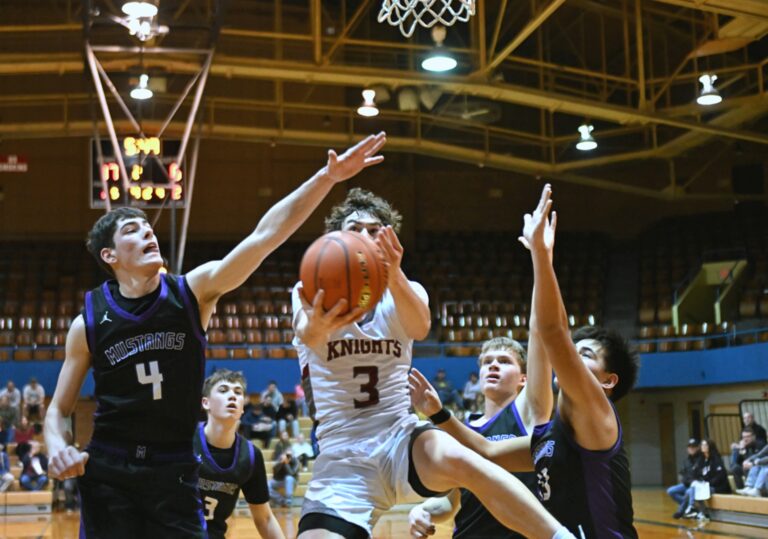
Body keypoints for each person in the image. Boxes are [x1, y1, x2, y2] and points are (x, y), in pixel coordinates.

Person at [44, 133, 388, 538]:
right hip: (109, 467)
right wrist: (57, 447)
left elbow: (265, 237)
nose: (149, 234)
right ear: (110, 255)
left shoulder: (194, 292)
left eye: (149, 228)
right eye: (134, 231)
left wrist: (327, 178)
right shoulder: (88, 321)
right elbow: (57, 409)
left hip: (173, 466)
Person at [292, 187, 574, 539]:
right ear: (335, 239)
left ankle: (563, 537)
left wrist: (392, 274)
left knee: (467, 461)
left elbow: (420, 325)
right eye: (355, 229)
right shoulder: (310, 290)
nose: (365, 236)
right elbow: (309, 334)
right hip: (341, 457)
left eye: (375, 230)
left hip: (400, 438)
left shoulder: (408, 291)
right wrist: (317, 324)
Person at [410, 184, 639, 538]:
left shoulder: (598, 414)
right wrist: (438, 413)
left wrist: (541, 257)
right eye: (486, 361)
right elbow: (485, 450)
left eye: (587, 355)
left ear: (608, 381)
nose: (574, 359)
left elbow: (549, 330)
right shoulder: (550, 438)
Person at [409, 334, 554, 539]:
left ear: (524, 378)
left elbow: (541, 338)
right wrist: (423, 510)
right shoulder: (460, 431)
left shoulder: (527, 413)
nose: (493, 365)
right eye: (487, 362)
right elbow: (453, 500)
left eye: (504, 361)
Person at [194, 369, 284, 539]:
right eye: (223, 390)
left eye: (238, 392)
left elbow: (264, 519)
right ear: (206, 403)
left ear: (242, 408)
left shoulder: (249, 455)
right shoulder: (184, 440)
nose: (232, 396)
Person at [684, 439, 730, 519]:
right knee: (690, 490)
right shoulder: (701, 459)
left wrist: (707, 483)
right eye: (702, 445)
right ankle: (695, 509)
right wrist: (698, 481)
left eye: (705, 445)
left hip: (717, 486)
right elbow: (696, 473)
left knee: (699, 491)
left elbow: (720, 476)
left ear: (710, 446)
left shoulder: (716, 459)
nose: (703, 447)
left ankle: (700, 511)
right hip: (705, 485)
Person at [668, 438, 701, 517]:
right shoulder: (686, 460)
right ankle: (687, 505)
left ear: (697, 448)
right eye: (690, 447)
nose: (691, 448)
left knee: (688, 492)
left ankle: (682, 509)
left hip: (695, 485)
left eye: (693, 447)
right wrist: (684, 480)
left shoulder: (701, 460)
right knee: (671, 491)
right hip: (686, 484)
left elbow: (698, 475)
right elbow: (682, 473)